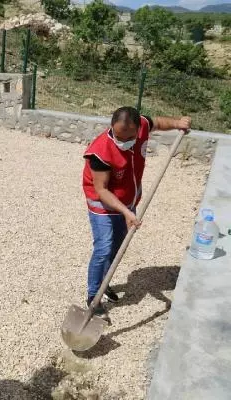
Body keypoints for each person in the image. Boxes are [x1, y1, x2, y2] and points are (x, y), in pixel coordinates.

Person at [82, 106, 191, 317]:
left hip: (127, 201)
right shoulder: (101, 152)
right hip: (103, 205)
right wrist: (126, 212)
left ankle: (104, 284)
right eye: (118, 136)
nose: (123, 141)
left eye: (129, 137)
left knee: (117, 246)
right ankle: (93, 295)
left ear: (138, 128)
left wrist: (178, 122)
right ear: (112, 126)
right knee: (104, 248)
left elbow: (158, 121)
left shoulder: (142, 125)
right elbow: (101, 190)